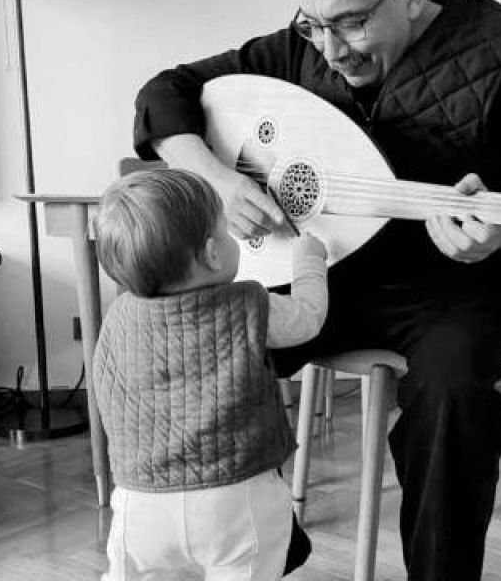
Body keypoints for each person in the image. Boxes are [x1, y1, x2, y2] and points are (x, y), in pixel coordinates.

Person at [132, 0, 501, 579]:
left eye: (349, 24)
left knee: (453, 395)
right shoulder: (300, 51)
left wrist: (495, 239)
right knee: (188, 335)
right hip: (325, 272)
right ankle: (246, 541)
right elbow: (163, 94)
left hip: (455, 291)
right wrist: (216, 178)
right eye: (313, 25)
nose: (330, 49)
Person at [91, 168, 328, 580]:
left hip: (140, 501)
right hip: (234, 499)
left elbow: (106, 387)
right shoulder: (249, 305)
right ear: (213, 253)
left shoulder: (117, 319)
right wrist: (309, 261)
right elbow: (307, 318)